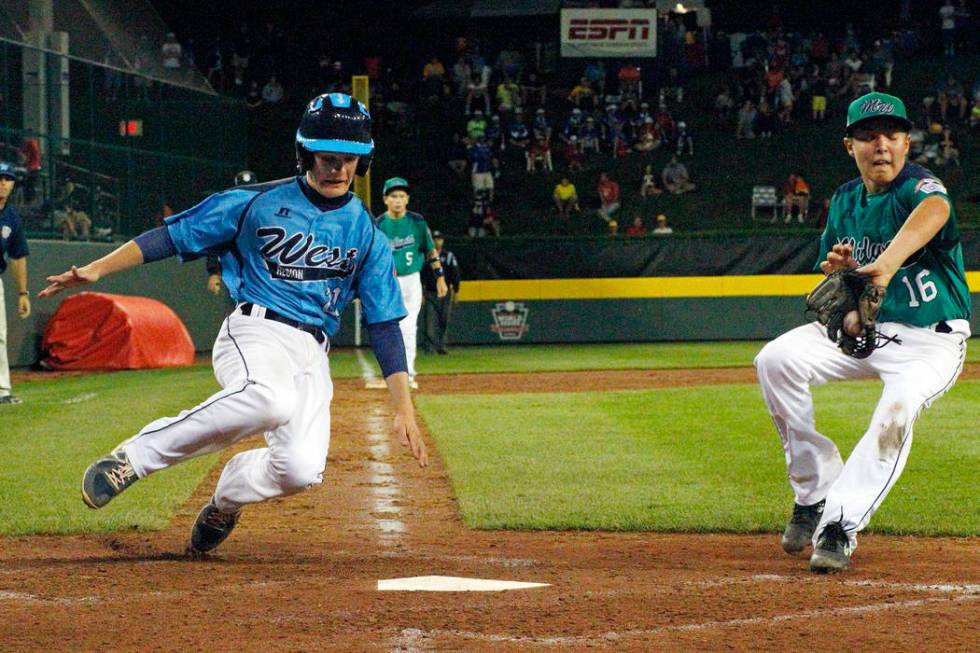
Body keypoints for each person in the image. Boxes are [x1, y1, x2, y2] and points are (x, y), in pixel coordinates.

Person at [39, 93, 428, 556]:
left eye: (349, 160)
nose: (337, 170)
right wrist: (98, 269)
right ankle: (133, 459)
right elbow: (172, 235)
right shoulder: (254, 203)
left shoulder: (365, 231)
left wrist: (403, 406)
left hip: (313, 352)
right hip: (255, 331)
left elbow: (384, 324)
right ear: (305, 154)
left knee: (300, 469)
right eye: (327, 158)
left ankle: (225, 502)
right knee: (268, 399)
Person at [754, 92, 971, 573]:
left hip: (929, 339)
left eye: (893, 135)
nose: (882, 145)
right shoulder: (845, 201)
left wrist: (885, 266)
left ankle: (840, 525)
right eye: (869, 136)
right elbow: (833, 287)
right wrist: (845, 294)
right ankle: (813, 492)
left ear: (907, 143)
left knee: (897, 408)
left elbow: (935, 210)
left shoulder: (920, 187)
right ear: (848, 144)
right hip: (869, 331)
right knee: (775, 360)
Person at [375, 177, 448, 389]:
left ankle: (408, 374)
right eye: (393, 196)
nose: (398, 200)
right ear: (385, 200)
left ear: (407, 199)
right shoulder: (379, 224)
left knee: (408, 327)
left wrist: (440, 276)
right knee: (388, 328)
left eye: (402, 196)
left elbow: (430, 250)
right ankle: (393, 373)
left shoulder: (417, 221)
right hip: (387, 282)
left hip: (411, 281)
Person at [0, 162, 30, 405]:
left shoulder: (11, 216)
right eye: (0, 177)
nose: (3, 182)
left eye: (8, 178)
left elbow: (18, 256)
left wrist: (23, 293)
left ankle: (2, 391)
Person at [206, 170, 257, 295]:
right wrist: (214, 273)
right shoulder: (228, 213)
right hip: (238, 273)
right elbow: (217, 241)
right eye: (243, 189)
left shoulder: (266, 209)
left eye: (250, 188)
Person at [421, 231, 460, 355]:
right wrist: (421, 292)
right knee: (430, 322)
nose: (437, 241)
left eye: (439, 238)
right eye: (434, 238)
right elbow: (421, 275)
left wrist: (456, 291)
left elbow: (455, 274)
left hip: (445, 293)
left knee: (444, 320)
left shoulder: (448, 256)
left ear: (442, 241)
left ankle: (442, 346)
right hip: (430, 292)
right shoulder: (425, 256)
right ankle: (429, 347)